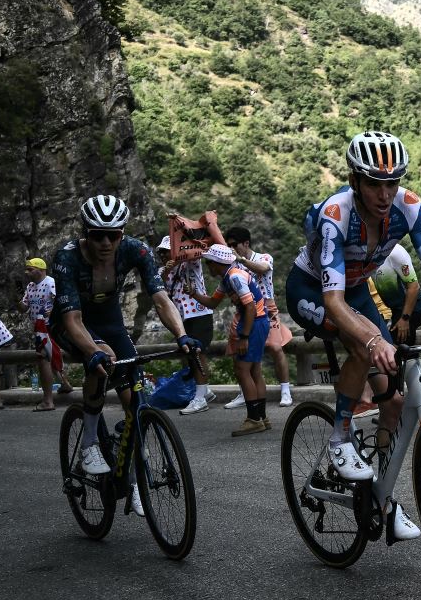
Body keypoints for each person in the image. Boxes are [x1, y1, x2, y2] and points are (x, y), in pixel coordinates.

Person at [284, 131, 421, 543]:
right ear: (355, 180)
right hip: (315, 291)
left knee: (395, 403)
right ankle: (340, 437)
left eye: (392, 183)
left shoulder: (409, 208)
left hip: (357, 289)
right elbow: (334, 301)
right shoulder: (335, 215)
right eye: (375, 184)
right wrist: (373, 341)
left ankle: (379, 496)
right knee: (364, 348)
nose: (385, 194)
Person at [52, 196, 203, 517]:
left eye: (114, 234)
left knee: (134, 398)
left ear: (122, 233)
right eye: (97, 235)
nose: (106, 242)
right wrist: (92, 352)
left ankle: (134, 480)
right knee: (103, 357)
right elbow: (72, 321)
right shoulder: (67, 258)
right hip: (73, 323)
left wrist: (182, 336)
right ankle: (89, 444)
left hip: (110, 322)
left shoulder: (137, 250)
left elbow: (161, 299)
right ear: (85, 233)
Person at [199, 243, 274, 437]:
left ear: (217, 263)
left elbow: (249, 307)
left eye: (209, 262)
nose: (208, 266)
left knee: (242, 370)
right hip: (257, 321)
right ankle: (261, 417)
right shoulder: (228, 278)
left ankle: (253, 419)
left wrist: (244, 337)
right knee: (254, 370)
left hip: (254, 322)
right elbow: (213, 302)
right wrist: (194, 294)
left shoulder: (235, 277)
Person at [224, 226, 293, 406]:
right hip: (245, 309)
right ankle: (245, 392)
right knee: (242, 351)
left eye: (234, 244)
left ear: (246, 243)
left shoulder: (264, 257)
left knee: (275, 347)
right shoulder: (234, 264)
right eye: (228, 245)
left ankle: (286, 390)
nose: (231, 248)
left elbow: (262, 268)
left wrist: (241, 260)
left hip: (267, 308)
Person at [159, 236, 217, 415]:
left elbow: (198, 251)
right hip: (181, 317)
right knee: (189, 356)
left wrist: (180, 253)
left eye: (166, 251)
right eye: (160, 251)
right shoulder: (162, 270)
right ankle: (203, 391)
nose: (162, 254)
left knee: (197, 353)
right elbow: (158, 289)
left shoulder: (191, 263)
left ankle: (200, 397)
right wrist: (165, 271)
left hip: (199, 313)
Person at [22, 258, 66, 410]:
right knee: (51, 355)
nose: (27, 273)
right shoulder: (30, 286)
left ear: (40, 269)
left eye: (30, 269)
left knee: (43, 359)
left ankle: (48, 401)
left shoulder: (50, 282)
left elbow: (61, 299)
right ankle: (65, 384)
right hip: (38, 326)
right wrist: (17, 298)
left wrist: (53, 311)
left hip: (49, 326)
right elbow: (23, 307)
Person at [368, 243, 421, 347]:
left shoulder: (395, 252)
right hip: (395, 309)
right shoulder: (366, 254)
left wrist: (405, 319)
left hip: (412, 310)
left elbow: (414, 287)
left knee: (395, 347)